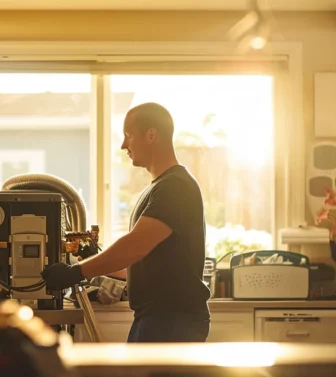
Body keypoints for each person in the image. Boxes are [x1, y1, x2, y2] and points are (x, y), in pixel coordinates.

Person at [41, 102, 211, 343]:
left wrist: (74, 273)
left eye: (128, 135)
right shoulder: (160, 187)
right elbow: (140, 259)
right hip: (158, 318)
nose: (123, 145)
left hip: (172, 320)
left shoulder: (174, 187)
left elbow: (135, 246)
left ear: (151, 135)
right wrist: (94, 260)